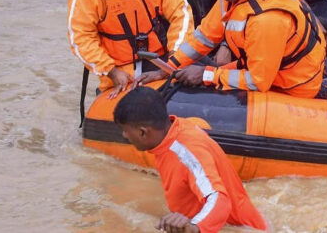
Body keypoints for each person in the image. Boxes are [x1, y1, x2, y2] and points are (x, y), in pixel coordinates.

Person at [137, 0, 326, 97]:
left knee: (209, 76)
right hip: (265, 68)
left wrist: (206, 75)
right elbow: (204, 37)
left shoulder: (266, 18)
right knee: (208, 73)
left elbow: (258, 81)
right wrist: (168, 69)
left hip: (294, 82)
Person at [113, 87, 267, 232]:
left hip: (237, 228)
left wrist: (195, 227)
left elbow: (219, 199)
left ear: (142, 132)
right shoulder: (176, 129)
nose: (124, 136)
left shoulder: (185, 152)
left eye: (125, 131)